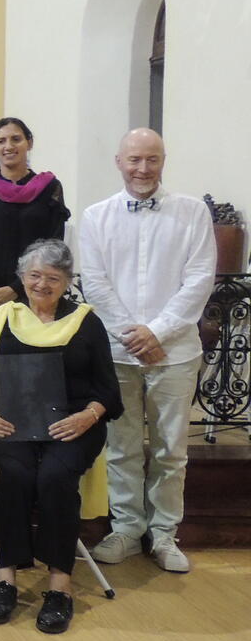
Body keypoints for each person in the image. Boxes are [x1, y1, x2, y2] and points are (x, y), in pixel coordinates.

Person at [81, 129, 217, 574]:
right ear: (118, 161)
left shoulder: (193, 212)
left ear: (163, 161)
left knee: (170, 449)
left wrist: (156, 332)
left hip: (174, 353)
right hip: (118, 354)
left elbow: (199, 280)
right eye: (135, 159)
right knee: (121, 448)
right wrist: (130, 334)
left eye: (152, 160)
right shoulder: (95, 216)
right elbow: (95, 283)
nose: (143, 169)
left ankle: (164, 534)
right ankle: (126, 528)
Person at [0, 240, 122, 634]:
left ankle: (60, 585)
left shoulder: (86, 321)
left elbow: (108, 390)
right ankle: (6, 578)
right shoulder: (3, 317)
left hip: (73, 426)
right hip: (15, 426)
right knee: (17, 477)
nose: (42, 284)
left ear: (67, 282)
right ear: (21, 278)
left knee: (55, 477)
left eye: (53, 278)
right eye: (34, 275)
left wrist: (86, 418)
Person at [0, 117, 70, 407]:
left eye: (16, 139)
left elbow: (53, 243)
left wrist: (16, 288)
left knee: (31, 372)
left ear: (29, 143)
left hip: (36, 293)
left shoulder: (49, 187)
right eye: (1, 141)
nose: (9, 146)